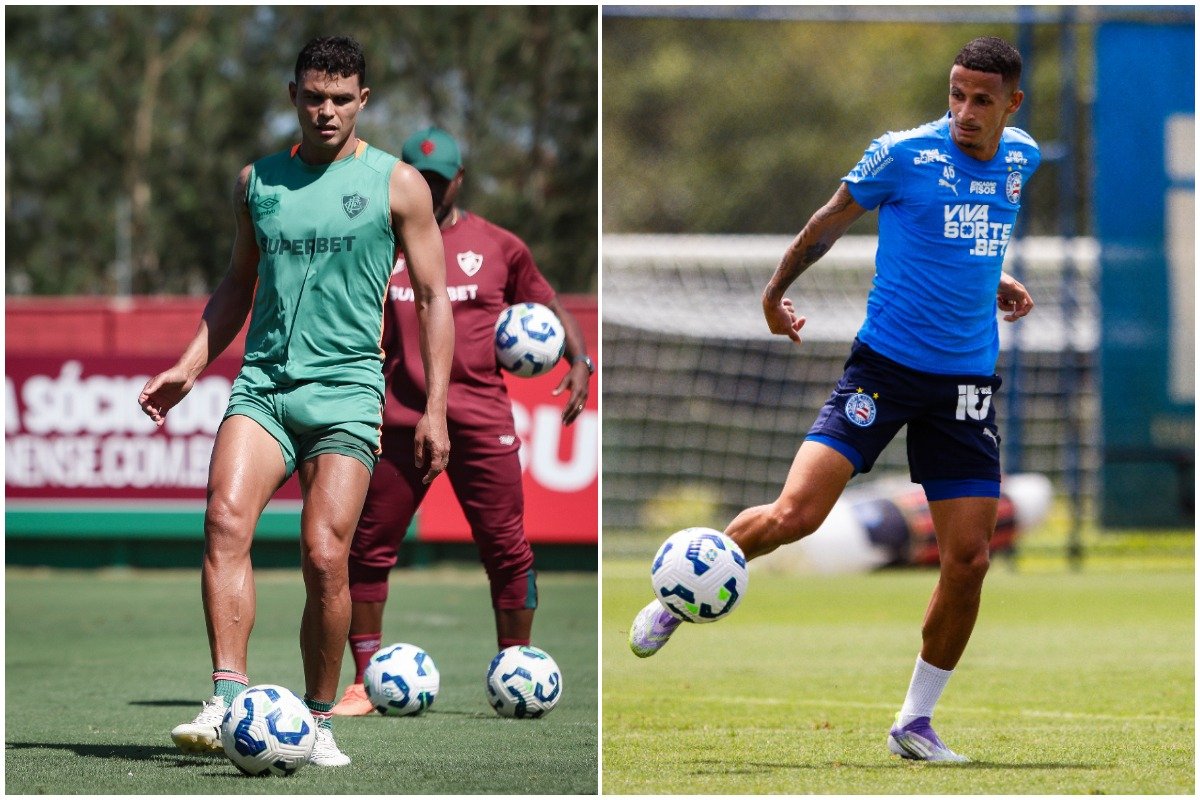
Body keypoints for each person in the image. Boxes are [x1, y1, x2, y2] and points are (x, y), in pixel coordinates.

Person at [628, 36, 1040, 763]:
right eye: (956, 94)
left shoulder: (1020, 158)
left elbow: (974, 233)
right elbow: (826, 222)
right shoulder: (903, 154)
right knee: (796, 515)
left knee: (968, 559)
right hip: (883, 370)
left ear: (1012, 103)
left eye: (982, 99)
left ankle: (914, 723)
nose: (965, 111)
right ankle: (677, 597)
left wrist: (991, 277)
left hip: (968, 384)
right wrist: (774, 291)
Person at [139, 37, 454, 766]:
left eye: (342, 98)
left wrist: (432, 406)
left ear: (363, 102)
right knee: (223, 521)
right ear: (294, 96)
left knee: (322, 556)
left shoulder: (399, 184)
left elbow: (435, 297)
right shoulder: (258, 182)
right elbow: (236, 283)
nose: (327, 111)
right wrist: (190, 366)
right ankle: (225, 696)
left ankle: (318, 720)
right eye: (314, 96)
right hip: (265, 385)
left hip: (348, 391)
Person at [329, 126, 593, 715]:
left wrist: (581, 358)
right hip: (398, 419)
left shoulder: (499, 245)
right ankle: (364, 681)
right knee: (367, 550)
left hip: (480, 420)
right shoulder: (374, 243)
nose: (429, 188)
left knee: (507, 550)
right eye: (419, 178)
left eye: (439, 181)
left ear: (459, 180)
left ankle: (517, 665)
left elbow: (549, 308)